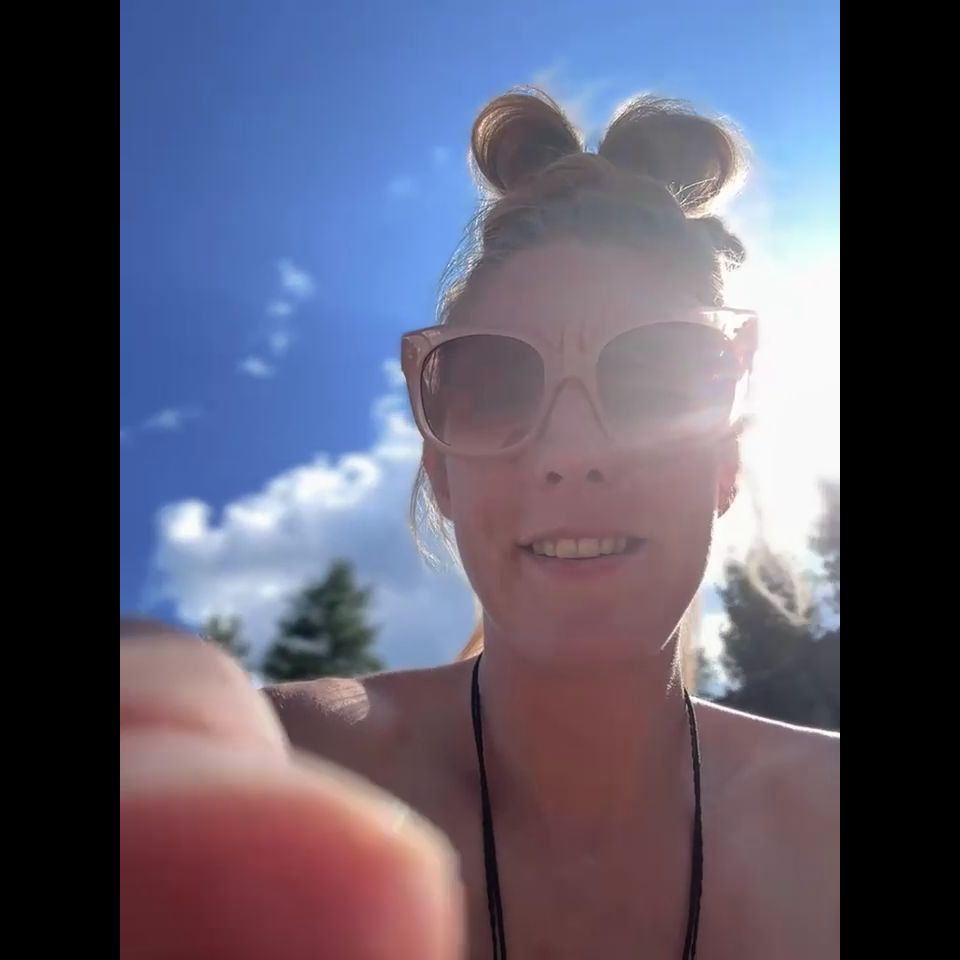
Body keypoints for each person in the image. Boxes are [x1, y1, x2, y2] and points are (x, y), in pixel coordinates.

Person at [120, 89, 839, 959]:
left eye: (656, 379)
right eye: (494, 386)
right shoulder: (282, 774)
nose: (572, 452)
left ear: (724, 464)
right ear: (440, 473)